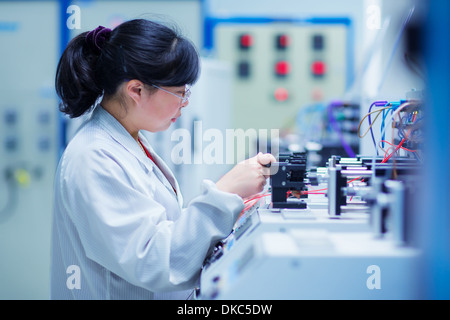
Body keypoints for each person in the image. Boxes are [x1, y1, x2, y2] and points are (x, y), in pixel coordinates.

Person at [51, 19, 275, 300]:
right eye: (180, 92)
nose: (186, 102)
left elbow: (160, 231)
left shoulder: (128, 140)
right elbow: (155, 261)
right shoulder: (93, 158)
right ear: (136, 90)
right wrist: (224, 193)